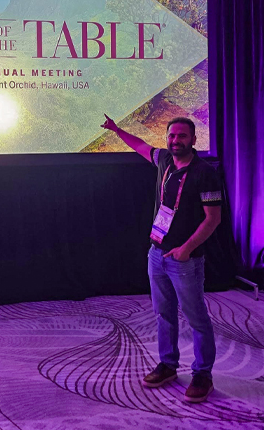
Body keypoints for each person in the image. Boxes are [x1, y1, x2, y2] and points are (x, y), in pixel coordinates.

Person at [101, 114, 221, 403]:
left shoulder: (205, 173)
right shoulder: (165, 160)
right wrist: (117, 130)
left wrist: (186, 249)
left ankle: (203, 374)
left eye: (182, 136)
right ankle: (168, 365)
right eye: (172, 136)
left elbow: (213, 219)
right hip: (156, 254)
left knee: (196, 318)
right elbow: (140, 146)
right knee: (163, 314)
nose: (176, 140)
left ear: (194, 140)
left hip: (185, 260)